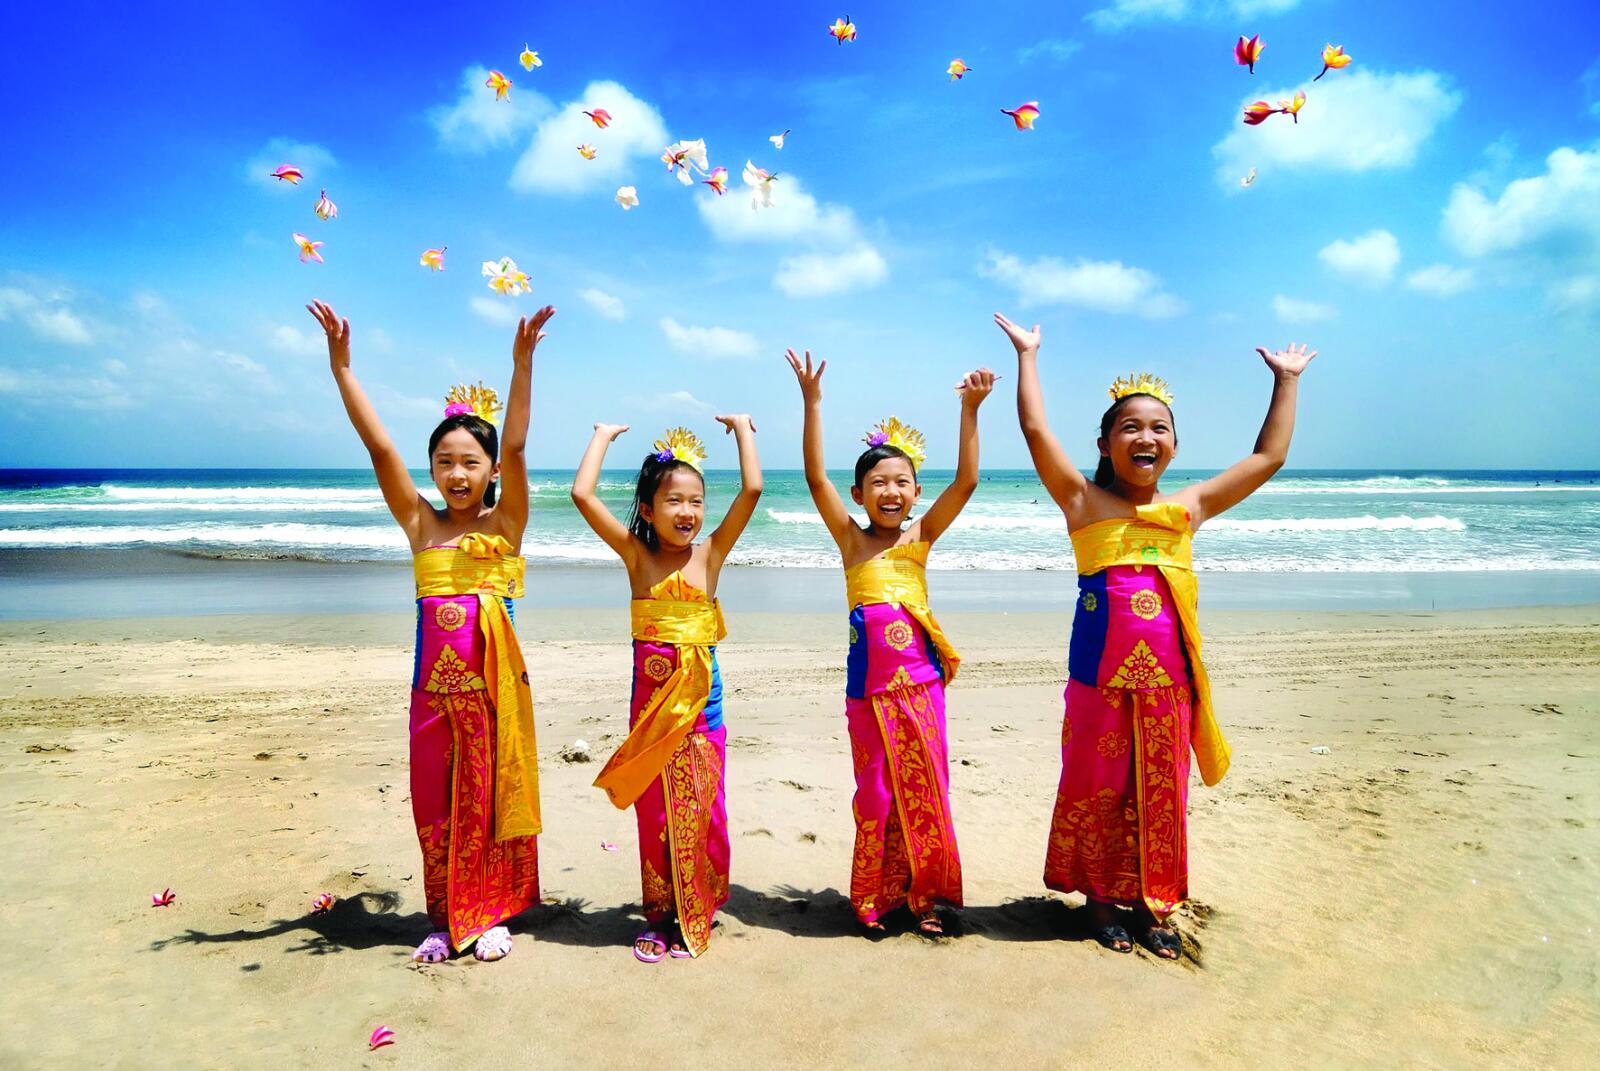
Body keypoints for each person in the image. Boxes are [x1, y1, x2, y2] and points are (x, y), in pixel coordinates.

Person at [995, 311, 1316, 960]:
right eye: (1130, 426)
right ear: (1107, 443)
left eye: (1159, 427)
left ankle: (1153, 900)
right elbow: (1034, 428)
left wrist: (1285, 381)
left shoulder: (1186, 509)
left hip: (1168, 684)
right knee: (1098, 788)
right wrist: (1028, 356)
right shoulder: (1082, 501)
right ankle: (1102, 901)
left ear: (1173, 445)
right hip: (1096, 682)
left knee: (1160, 793)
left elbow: (1268, 457)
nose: (1146, 435)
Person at [309, 298, 555, 964]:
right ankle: (447, 916)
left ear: (492, 472)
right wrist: (342, 368)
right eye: (444, 461)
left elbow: (523, 442)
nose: (456, 473)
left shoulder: (503, 528)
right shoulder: (421, 525)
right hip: (429, 696)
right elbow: (381, 445)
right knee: (434, 808)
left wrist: (521, 363)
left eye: (471, 461)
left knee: (486, 803)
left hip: (492, 694)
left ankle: (491, 912)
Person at [784, 347, 995, 936]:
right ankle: (876, 896)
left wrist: (970, 411)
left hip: (921, 687)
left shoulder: (920, 538)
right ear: (859, 495)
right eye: (878, 482)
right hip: (866, 693)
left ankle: (925, 897)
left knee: (926, 790)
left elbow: (969, 480)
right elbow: (814, 477)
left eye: (902, 481)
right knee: (876, 795)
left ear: (916, 491)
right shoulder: (852, 543)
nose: (891, 490)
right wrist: (812, 402)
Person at [571, 417, 761, 960]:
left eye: (696, 501)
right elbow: (582, 494)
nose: (688, 512)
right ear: (649, 510)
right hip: (650, 716)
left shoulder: (711, 556)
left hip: (704, 712)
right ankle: (659, 913)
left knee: (704, 809)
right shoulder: (638, 558)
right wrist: (602, 437)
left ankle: (698, 902)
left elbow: (751, 490)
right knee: (655, 815)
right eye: (673, 501)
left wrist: (745, 431)